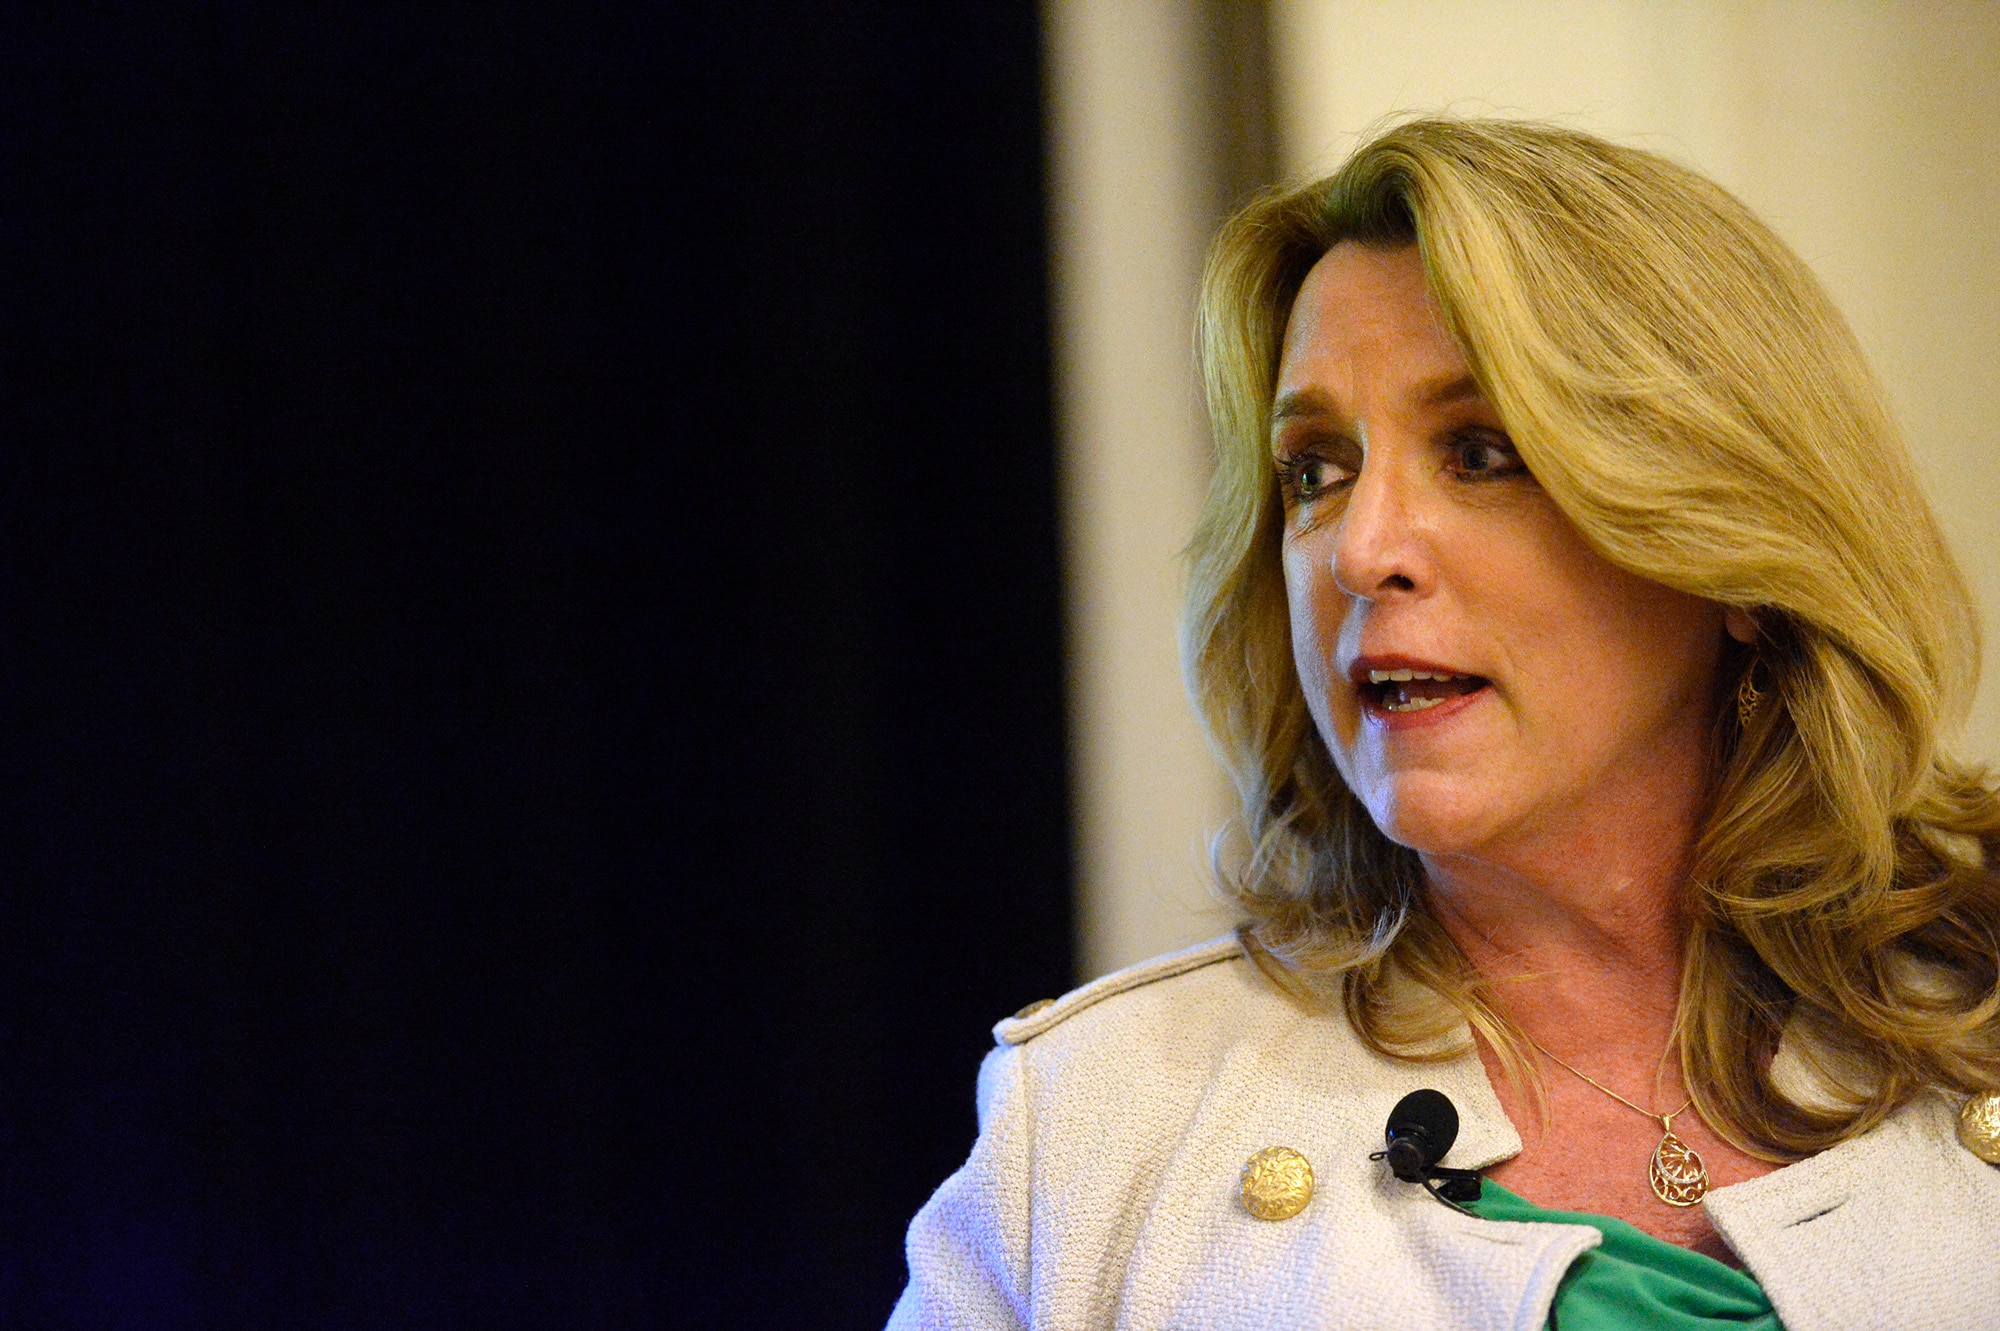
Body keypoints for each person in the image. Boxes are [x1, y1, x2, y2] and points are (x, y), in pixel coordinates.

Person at [887, 118, 2000, 1330]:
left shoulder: (1973, 1026)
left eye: (1478, 452)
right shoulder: (1098, 1127)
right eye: (1314, 469)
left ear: (1725, 546)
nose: (1358, 550)